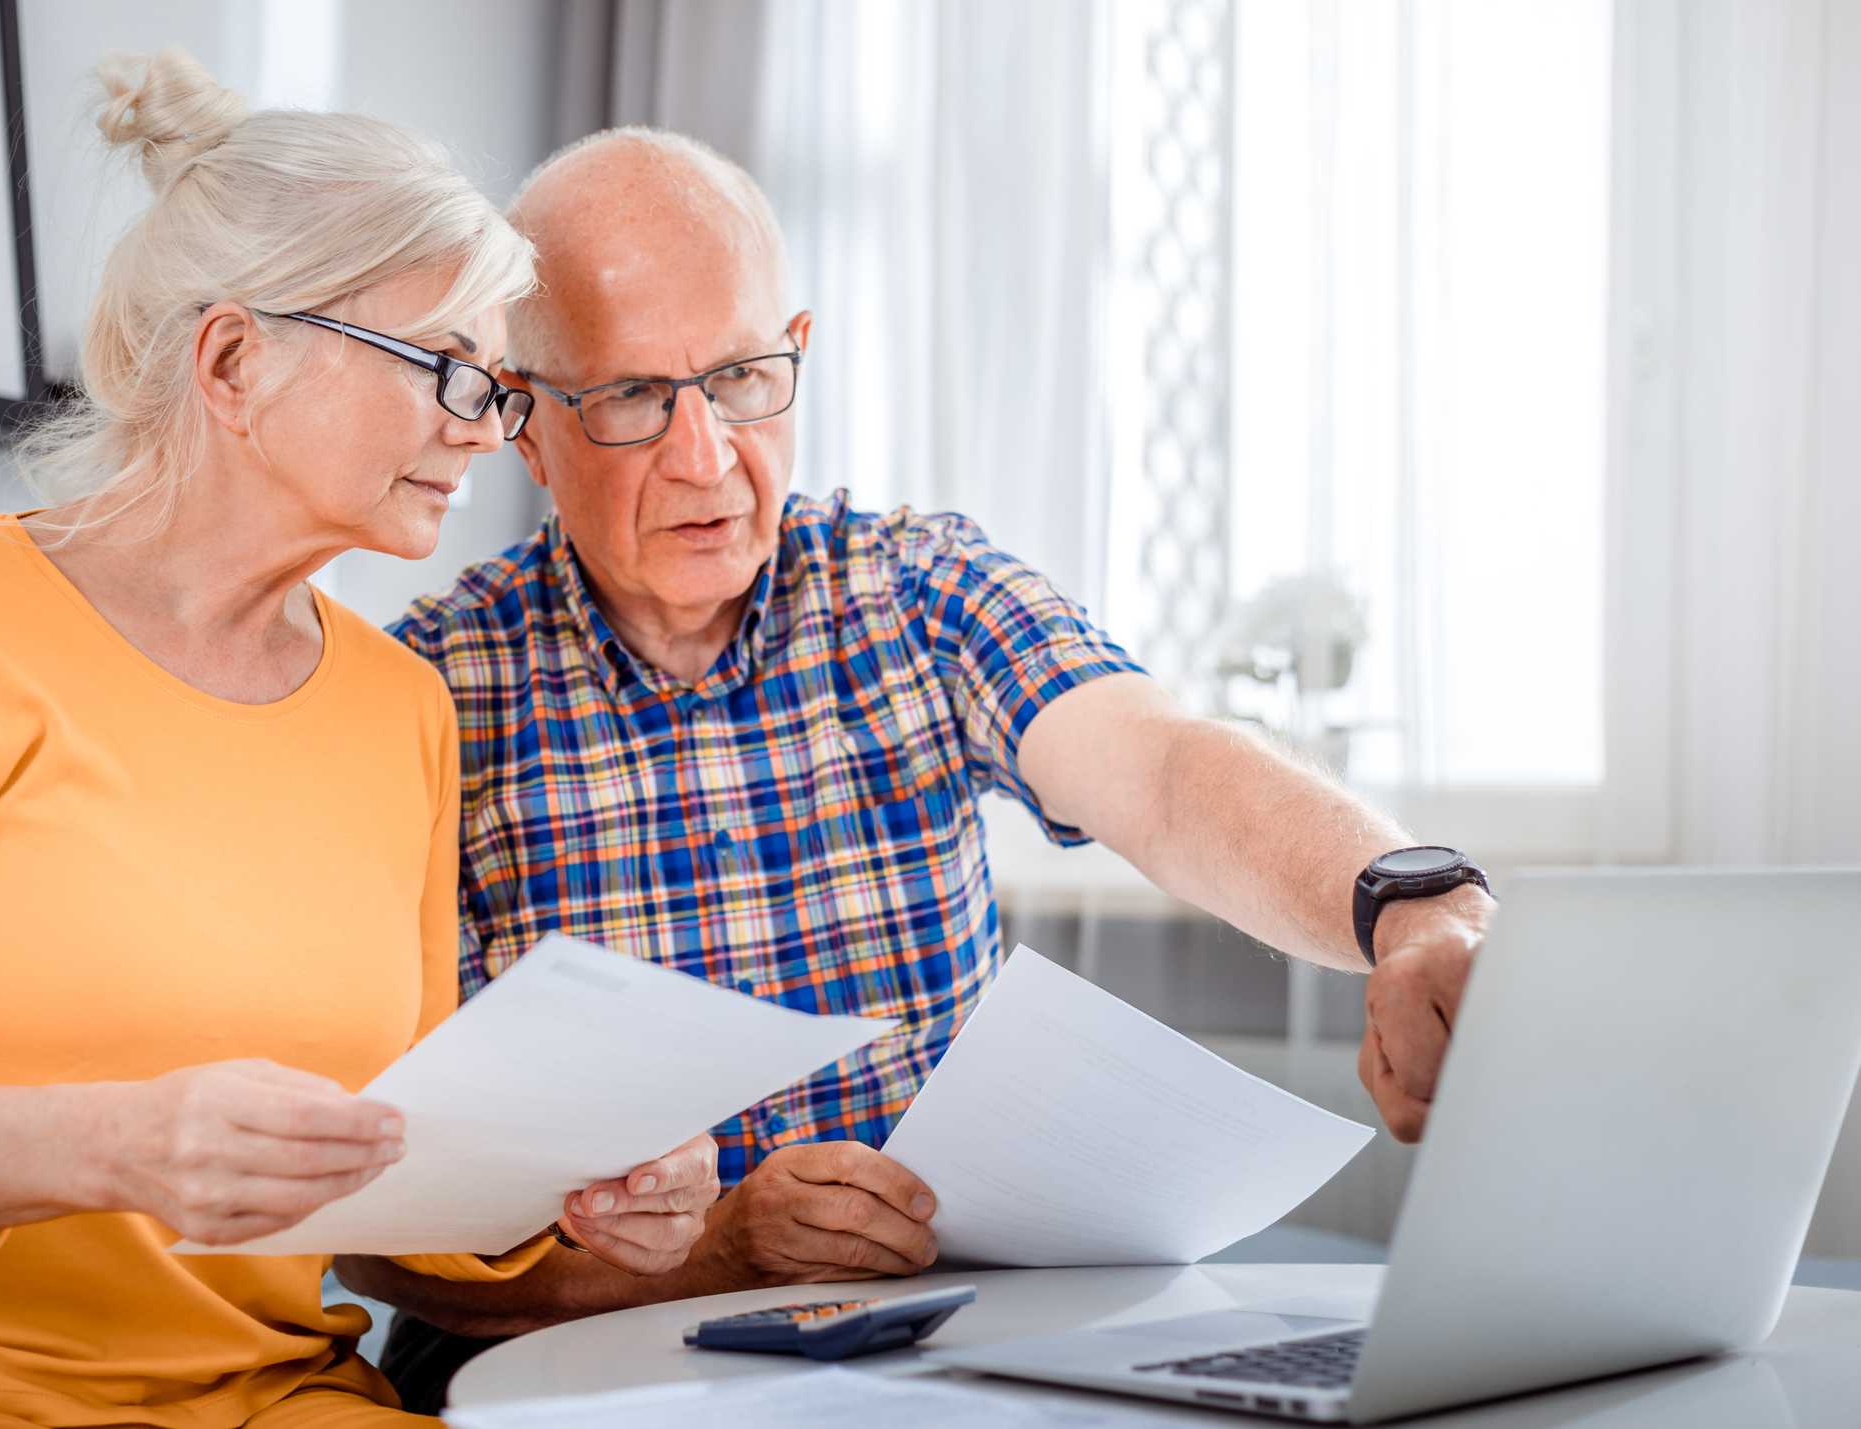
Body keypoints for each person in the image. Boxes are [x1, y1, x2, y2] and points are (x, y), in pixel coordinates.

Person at [348, 127, 1494, 1411]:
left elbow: (1164, 770)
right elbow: (369, 1227)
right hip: (592, 1383)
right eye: (628, 398)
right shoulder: (425, 696)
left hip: (948, 1354)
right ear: (524, 423)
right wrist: (709, 1256)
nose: (707, 457)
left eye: (740, 378)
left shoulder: (914, 588)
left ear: (796, 348)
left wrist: (1409, 900)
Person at [0, 59, 714, 1429]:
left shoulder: (399, 709)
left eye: (495, 388)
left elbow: (393, 1173)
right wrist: (108, 1146)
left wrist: (566, 1190)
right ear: (232, 360)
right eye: (443, 369)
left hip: (268, 1397)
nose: (482, 432)